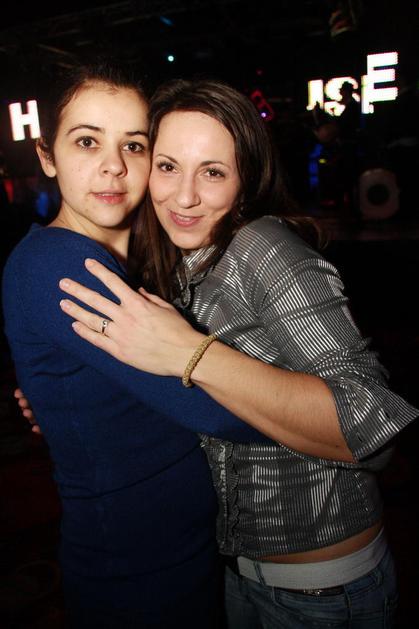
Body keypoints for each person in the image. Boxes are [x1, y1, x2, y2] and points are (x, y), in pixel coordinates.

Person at [54, 79, 417, 628]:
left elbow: (374, 428)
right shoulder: (181, 260)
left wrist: (193, 353)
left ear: (246, 180)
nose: (184, 197)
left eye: (213, 172)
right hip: (239, 573)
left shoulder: (262, 246)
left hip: (322, 592)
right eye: (168, 166)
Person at [1, 64, 274, 629]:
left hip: (185, 554)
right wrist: (314, 404)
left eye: (134, 145)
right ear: (47, 156)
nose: (114, 165)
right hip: (138, 573)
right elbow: (228, 413)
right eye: (87, 141)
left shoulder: (141, 261)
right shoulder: (60, 265)